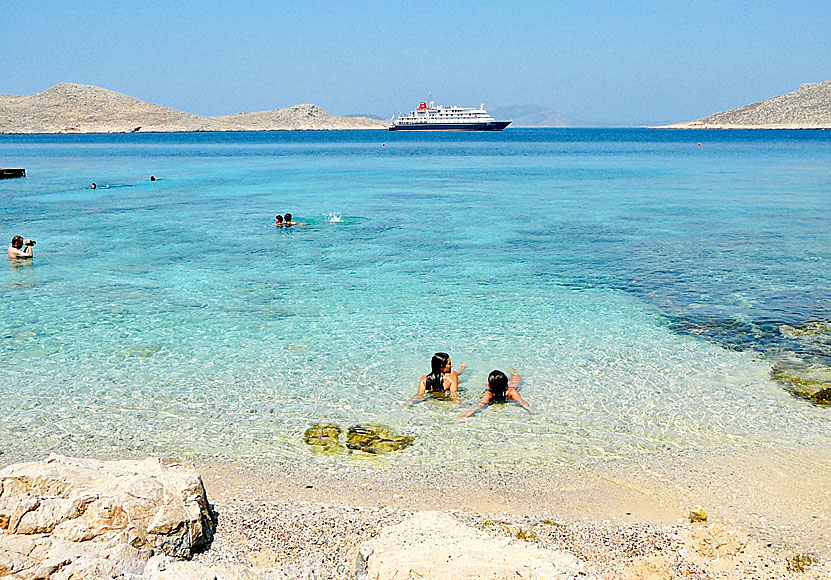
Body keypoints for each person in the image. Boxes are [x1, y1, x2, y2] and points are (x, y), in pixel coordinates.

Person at [458, 367, 533, 418]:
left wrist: (531, 410)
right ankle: (512, 373)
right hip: (503, 387)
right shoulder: (489, 394)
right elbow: (480, 404)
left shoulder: (511, 392)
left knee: (516, 377)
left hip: (510, 388)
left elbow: (523, 402)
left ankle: (513, 372)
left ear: (489, 386)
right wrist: (466, 415)